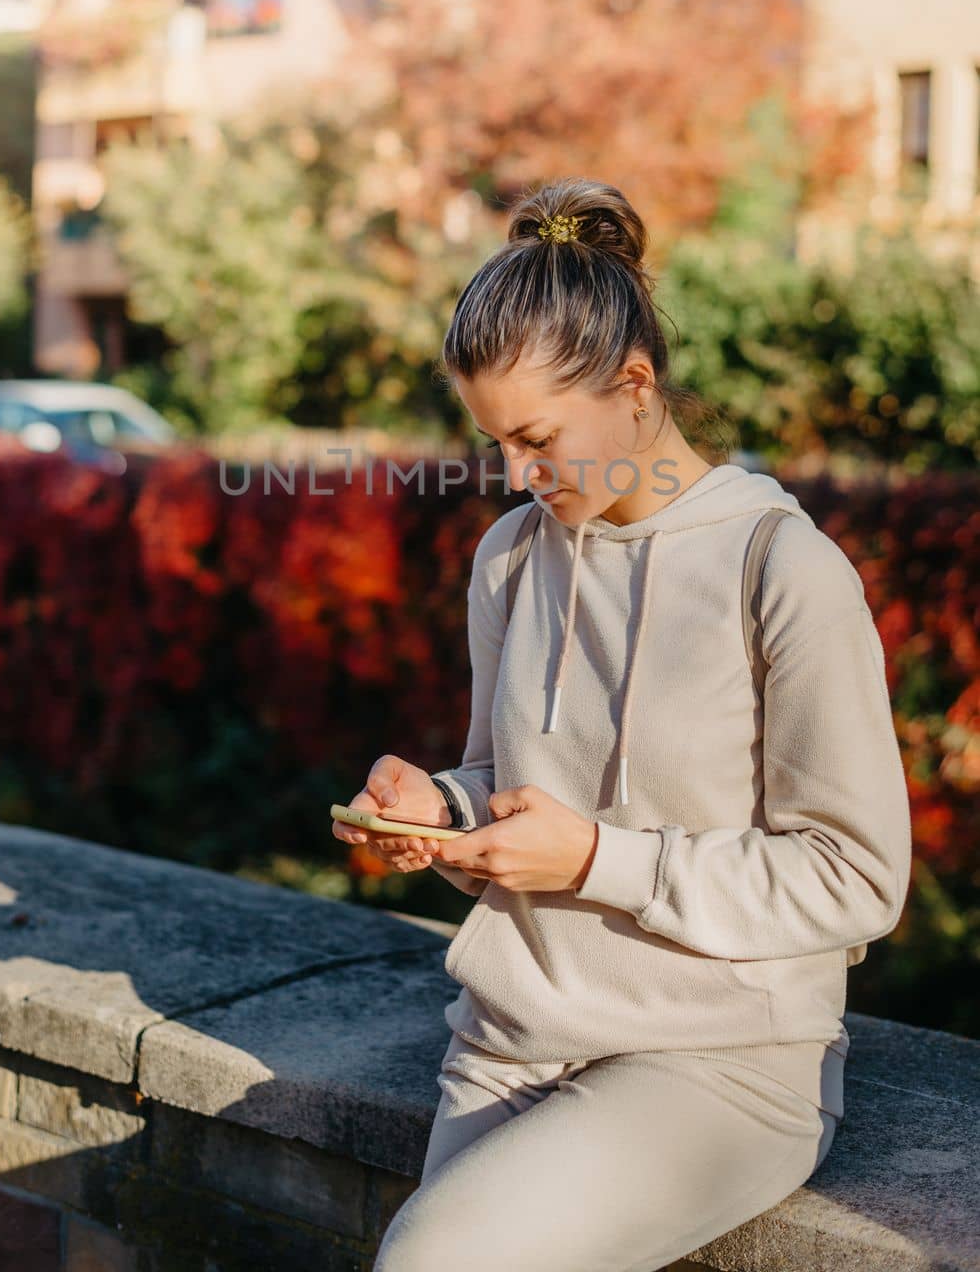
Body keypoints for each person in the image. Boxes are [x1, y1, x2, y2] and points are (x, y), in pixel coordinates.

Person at [332, 178, 913, 1272]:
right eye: (496, 442)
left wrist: (599, 859)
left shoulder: (778, 569)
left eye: (538, 437)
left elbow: (856, 880)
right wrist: (439, 813)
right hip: (508, 1040)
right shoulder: (510, 559)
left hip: (720, 1058)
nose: (515, 473)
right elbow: (508, 779)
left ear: (635, 385)